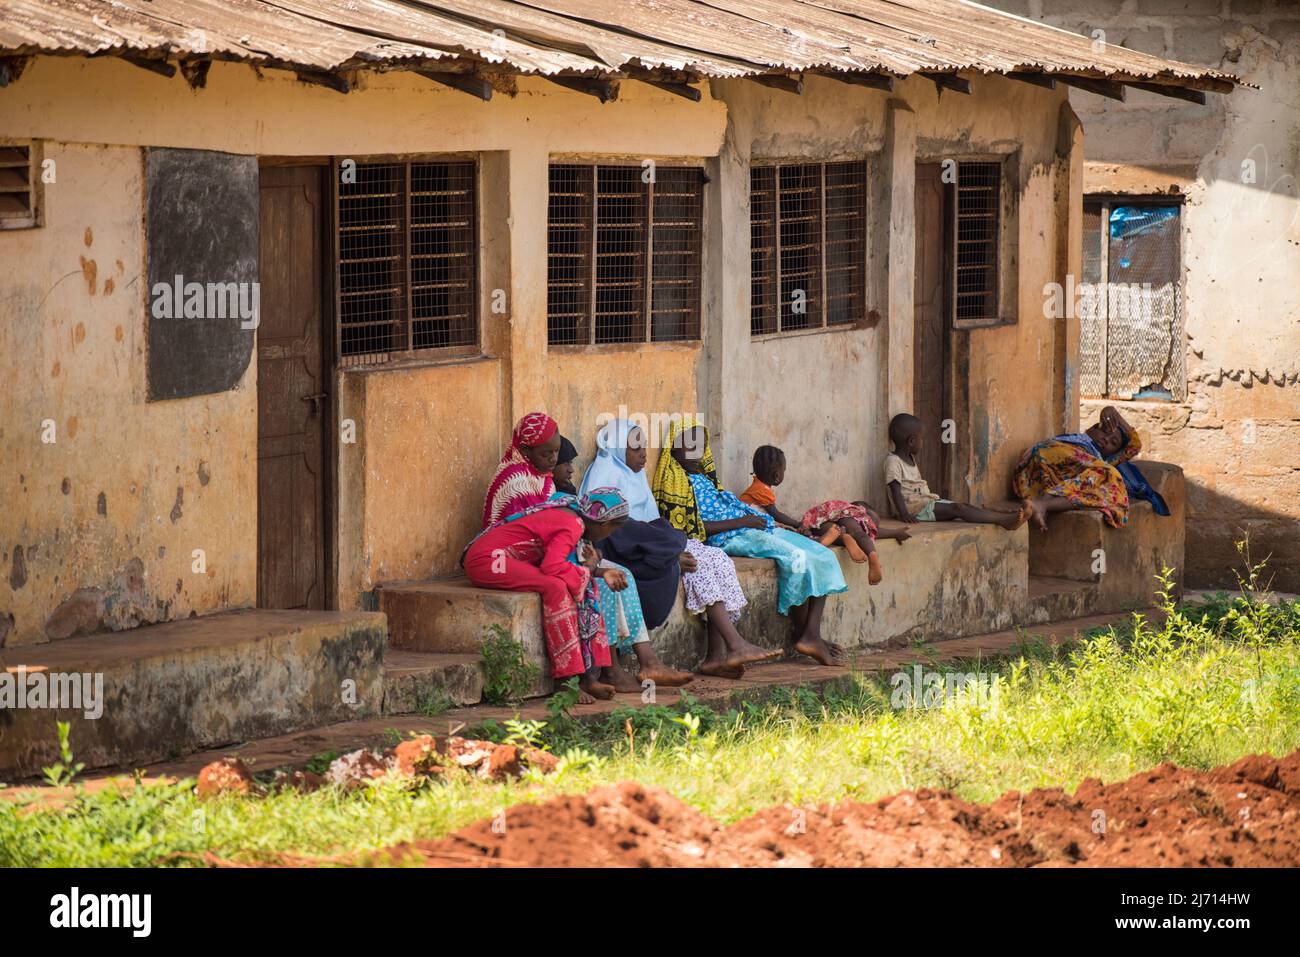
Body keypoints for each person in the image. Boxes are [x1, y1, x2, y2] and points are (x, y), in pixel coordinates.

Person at [581, 418, 774, 680]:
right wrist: (667, 551)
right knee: (699, 563)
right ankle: (733, 645)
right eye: (635, 449)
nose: (643, 455)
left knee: (718, 558)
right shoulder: (604, 475)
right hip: (627, 549)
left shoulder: (633, 477)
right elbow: (613, 530)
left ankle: (718, 655)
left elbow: (649, 523)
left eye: (644, 447)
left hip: (650, 542)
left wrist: (665, 544)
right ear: (617, 448)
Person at [654, 419, 848, 667]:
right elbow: (691, 529)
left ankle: (811, 634)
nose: (695, 450)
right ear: (673, 444)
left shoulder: (705, 478)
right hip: (732, 536)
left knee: (821, 553)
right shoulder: (675, 481)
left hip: (750, 526)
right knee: (798, 557)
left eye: (700, 444)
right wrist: (743, 521)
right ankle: (806, 634)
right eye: (687, 444)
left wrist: (757, 520)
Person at [551, 434, 693, 690]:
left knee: (621, 573)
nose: (570, 469)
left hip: (586, 548)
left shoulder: (567, 492)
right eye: (562, 462)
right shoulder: (579, 488)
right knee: (607, 581)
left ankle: (646, 662)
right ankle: (611, 670)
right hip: (558, 560)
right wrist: (596, 568)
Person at [463, 488, 629, 705]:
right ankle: (565, 680)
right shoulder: (573, 524)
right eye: (612, 530)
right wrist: (587, 571)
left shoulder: (573, 514)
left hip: (499, 559)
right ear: (604, 525)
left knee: (581, 580)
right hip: (489, 561)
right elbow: (552, 566)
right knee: (555, 587)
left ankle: (587, 676)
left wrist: (595, 572)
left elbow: (561, 563)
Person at [740, 444, 909, 586]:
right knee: (797, 535)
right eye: (784, 470)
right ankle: (836, 543)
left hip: (815, 520)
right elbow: (776, 514)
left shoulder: (759, 488)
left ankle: (835, 538)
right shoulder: (761, 490)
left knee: (803, 534)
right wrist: (798, 524)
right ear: (777, 475)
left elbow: (774, 516)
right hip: (756, 529)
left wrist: (800, 525)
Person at [885, 413, 1031, 529]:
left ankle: (1000, 516)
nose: (922, 443)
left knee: (963, 507)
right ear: (911, 441)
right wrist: (904, 514)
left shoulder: (910, 458)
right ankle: (1003, 520)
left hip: (926, 503)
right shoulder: (893, 461)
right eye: (921, 439)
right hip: (916, 510)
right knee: (959, 509)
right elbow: (895, 490)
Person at [1012, 405, 1145, 531]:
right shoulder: (1077, 441)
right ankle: (1042, 503)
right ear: (1092, 429)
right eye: (1104, 431)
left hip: (1043, 487)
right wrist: (1109, 411)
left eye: (1113, 443)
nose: (1106, 439)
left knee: (1109, 483)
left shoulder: (1100, 464)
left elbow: (1135, 445)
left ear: (1114, 454)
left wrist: (1116, 414)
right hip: (1034, 470)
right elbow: (1044, 452)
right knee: (1109, 474)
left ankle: (1042, 505)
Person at [483, 412, 560, 528]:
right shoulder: (514, 481)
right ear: (524, 449)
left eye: (557, 451)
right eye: (545, 454)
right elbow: (523, 532)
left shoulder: (543, 477)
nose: (554, 459)